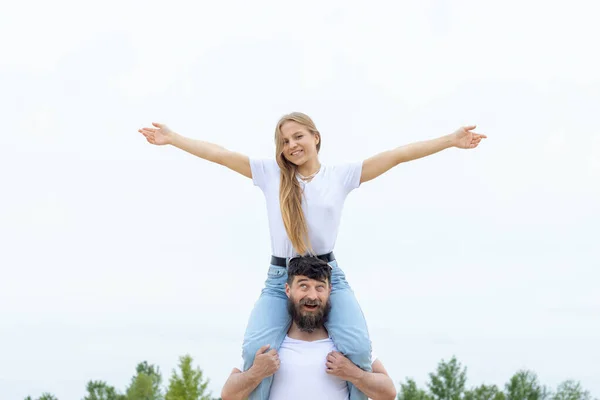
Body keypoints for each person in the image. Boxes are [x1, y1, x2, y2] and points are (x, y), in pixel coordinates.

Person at [138, 112, 486, 399]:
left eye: (298, 137)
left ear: (315, 137)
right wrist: (174, 138)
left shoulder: (341, 176)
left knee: (358, 347)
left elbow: (397, 155)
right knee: (254, 354)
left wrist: (450, 140)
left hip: (327, 275)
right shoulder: (270, 173)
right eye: (284, 142)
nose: (291, 146)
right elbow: (219, 153)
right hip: (281, 279)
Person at [220, 256, 397, 400]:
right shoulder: (269, 343)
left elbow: (388, 393)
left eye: (320, 287)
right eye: (303, 286)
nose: (312, 296)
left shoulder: (346, 345)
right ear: (288, 290)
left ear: (330, 291)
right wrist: (255, 373)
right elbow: (229, 395)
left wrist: (354, 374)